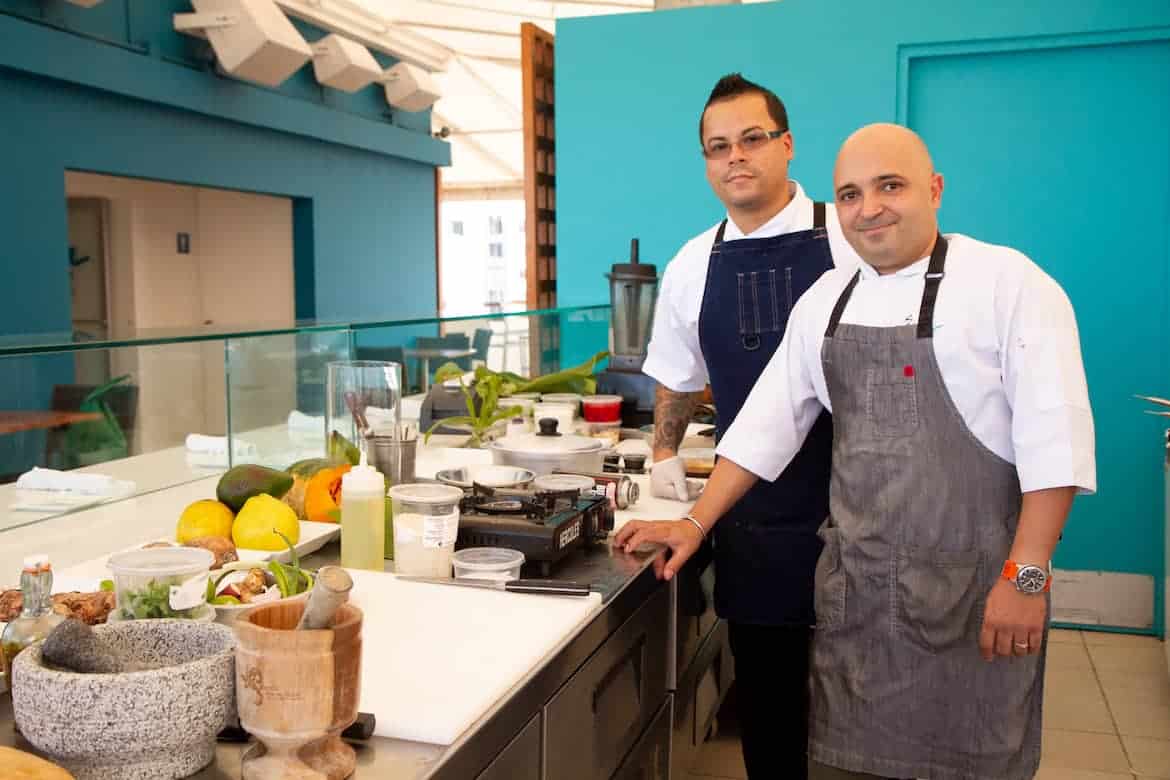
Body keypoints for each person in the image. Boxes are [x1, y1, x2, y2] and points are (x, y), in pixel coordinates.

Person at [618, 123, 1096, 780]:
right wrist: (695, 523)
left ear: (934, 189)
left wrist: (1027, 578)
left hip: (978, 602)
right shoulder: (828, 302)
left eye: (889, 186)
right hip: (861, 608)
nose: (868, 208)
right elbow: (764, 428)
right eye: (849, 194)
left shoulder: (1009, 285)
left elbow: (1055, 445)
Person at [638, 73, 857, 779]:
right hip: (752, 517)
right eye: (718, 147)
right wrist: (663, 455)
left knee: (863, 708)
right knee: (770, 712)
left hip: (857, 508)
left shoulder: (850, 240)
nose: (736, 157)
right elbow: (678, 373)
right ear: (706, 163)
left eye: (752, 139)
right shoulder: (691, 263)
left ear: (787, 146)